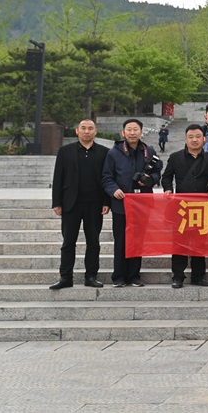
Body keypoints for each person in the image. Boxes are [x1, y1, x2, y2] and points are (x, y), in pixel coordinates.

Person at [49, 119, 111, 290]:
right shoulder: (65, 151)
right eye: (83, 128)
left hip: (95, 204)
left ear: (95, 132)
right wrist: (57, 202)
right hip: (71, 204)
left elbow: (107, 179)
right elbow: (58, 178)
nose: (87, 131)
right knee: (68, 242)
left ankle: (91, 276)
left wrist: (107, 201)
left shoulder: (104, 152)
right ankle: (65, 277)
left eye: (90, 128)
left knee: (93, 242)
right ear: (77, 131)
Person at [102, 118, 161, 288]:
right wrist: (114, 190)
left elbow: (157, 171)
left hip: (142, 204)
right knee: (120, 240)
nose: (133, 132)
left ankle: (134, 275)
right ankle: (119, 276)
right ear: (123, 133)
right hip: (121, 203)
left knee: (138, 240)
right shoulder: (114, 153)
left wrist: (151, 180)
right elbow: (106, 177)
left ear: (141, 132)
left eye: (136, 129)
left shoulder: (149, 151)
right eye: (129, 129)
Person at [161, 124, 208, 288]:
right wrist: (168, 189)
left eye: (198, 136)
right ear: (186, 139)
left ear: (204, 139)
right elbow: (166, 177)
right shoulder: (175, 157)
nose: (194, 140)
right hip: (181, 208)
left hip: (202, 208)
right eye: (191, 137)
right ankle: (178, 276)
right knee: (179, 242)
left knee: (200, 243)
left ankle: (198, 276)